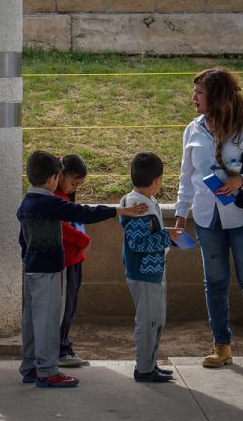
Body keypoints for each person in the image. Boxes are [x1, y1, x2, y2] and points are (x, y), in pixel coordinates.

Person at [175, 67, 243, 373]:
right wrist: (181, 215)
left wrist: (242, 181)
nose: (193, 98)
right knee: (215, 282)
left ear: (217, 95)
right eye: (194, 92)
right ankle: (221, 346)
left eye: (199, 92)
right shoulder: (193, 130)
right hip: (207, 219)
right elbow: (187, 176)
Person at [17, 150, 148, 388]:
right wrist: (118, 210)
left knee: (30, 319)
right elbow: (84, 213)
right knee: (48, 320)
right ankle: (47, 370)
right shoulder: (50, 202)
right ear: (52, 179)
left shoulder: (26, 202)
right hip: (49, 271)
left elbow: (22, 240)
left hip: (31, 268)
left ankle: (29, 366)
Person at [120, 152, 182, 383]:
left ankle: (150, 365)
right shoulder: (140, 208)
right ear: (157, 180)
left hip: (152, 270)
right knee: (148, 322)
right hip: (145, 272)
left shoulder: (143, 202)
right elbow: (137, 243)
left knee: (156, 319)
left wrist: (166, 233)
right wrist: (168, 238)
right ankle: (144, 369)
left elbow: (147, 234)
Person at [54, 154, 90, 368]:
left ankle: (64, 345)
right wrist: (82, 239)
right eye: (73, 182)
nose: (74, 187)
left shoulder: (65, 197)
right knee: (65, 306)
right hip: (66, 261)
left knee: (70, 305)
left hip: (74, 259)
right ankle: (60, 348)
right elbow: (61, 225)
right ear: (60, 175)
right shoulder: (55, 198)